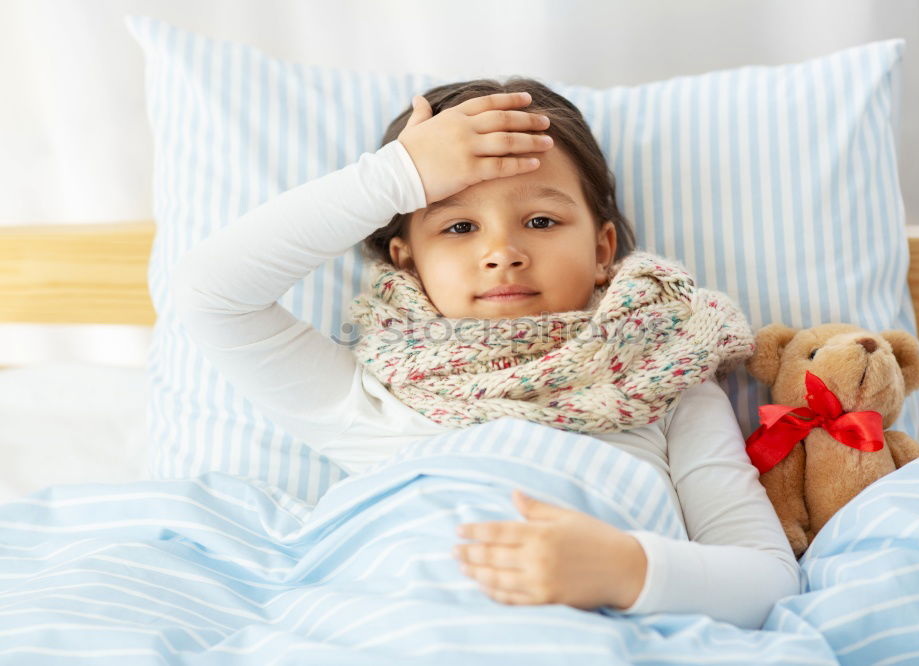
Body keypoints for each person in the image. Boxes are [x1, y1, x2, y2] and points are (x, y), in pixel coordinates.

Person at [172, 77, 800, 630]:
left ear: (604, 250)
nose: (502, 251)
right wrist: (398, 176)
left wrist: (630, 571)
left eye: (541, 222)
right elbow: (211, 296)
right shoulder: (370, 393)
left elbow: (767, 577)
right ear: (406, 257)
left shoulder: (666, 383)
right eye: (458, 227)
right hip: (383, 626)